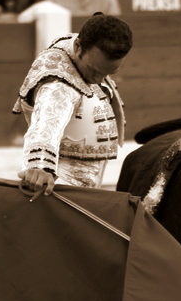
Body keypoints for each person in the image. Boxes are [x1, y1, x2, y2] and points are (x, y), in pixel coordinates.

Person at [13, 13, 133, 194]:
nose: (98, 79)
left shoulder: (84, 50)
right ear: (77, 47)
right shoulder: (58, 80)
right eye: (94, 70)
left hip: (83, 191)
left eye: (108, 73)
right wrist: (40, 167)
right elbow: (47, 122)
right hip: (57, 193)